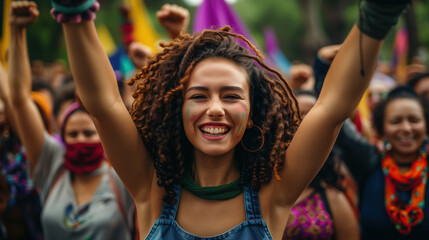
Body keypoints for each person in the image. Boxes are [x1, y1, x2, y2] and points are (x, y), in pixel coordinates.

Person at [51, 0, 409, 239]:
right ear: (178, 109)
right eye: (199, 96)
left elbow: (332, 107)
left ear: (253, 111)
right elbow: (104, 104)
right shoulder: (150, 185)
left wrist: (376, 17)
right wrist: (75, 12)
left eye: (231, 95)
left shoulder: (275, 191)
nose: (215, 108)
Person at [7, 2, 135, 240]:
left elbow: (107, 105)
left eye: (88, 133)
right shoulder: (52, 166)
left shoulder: (124, 176)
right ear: (61, 136)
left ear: (104, 137)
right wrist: (16, 31)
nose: (80, 140)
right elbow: (20, 101)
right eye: (72, 134)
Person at [283, 90, 359, 240]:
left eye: (311, 115)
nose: (305, 121)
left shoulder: (333, 197)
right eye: (296, 113)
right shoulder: (259, 187)